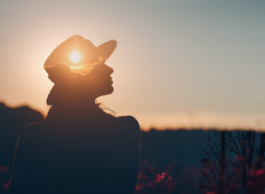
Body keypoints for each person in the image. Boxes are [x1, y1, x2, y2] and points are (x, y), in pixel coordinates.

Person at [10, 35, 141, 194]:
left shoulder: (33, 136)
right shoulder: (125, 130)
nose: (109, 69)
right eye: (98, 63)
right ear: (78, 78)